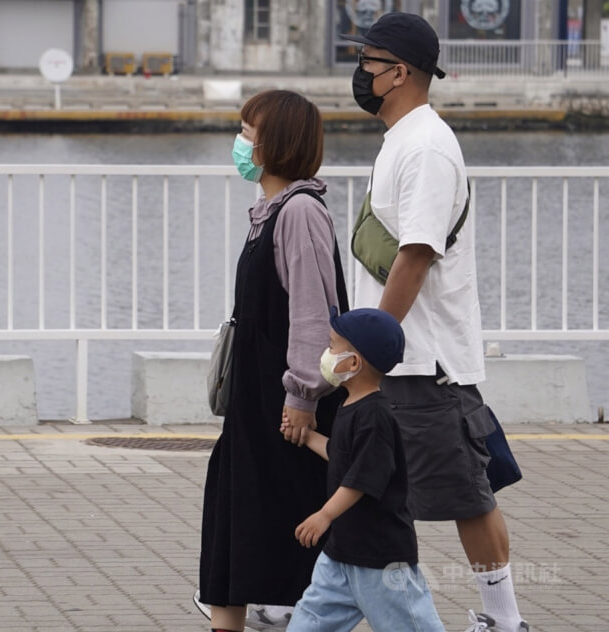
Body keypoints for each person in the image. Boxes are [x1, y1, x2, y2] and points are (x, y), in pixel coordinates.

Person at [339, 12, 529, 632]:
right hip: (407, 355)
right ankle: (303, 601)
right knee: (366, 484)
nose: (358, 74)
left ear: (398, 73)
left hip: (422, 362)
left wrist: (372, 346)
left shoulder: (426, 146)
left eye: (366, 62)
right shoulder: (403, 139)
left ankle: (503, 621)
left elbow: (416, 255)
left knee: (464, 493)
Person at [196, 90, 349, 632]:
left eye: (246, 130)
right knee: (234, 521)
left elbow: (313, 314)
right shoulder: (272, 211)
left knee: (290, 534)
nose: (240, 142)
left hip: (285, 407)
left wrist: (302, 397)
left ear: (273, 141)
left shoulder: (301, 211)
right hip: (255, 401)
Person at [282, 307, 444, 632]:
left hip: (379, 559)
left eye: (332, 346)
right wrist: (308, 437)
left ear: (353, 363)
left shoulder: (376, 416)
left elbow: (362, 477)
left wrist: (324, 515)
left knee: (411, 625)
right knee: (308, 623)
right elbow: (343, 456)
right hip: (340, 555)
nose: (326, 354)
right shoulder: (350, 405)